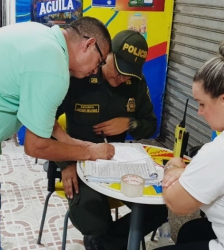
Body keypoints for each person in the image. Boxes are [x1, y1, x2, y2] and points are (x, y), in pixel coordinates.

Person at [0, 17, 115, 250]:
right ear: (89, 44)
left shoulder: (42, 37)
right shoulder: (53, 68)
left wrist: (70, 142)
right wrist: (90, 152)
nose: (96, 70)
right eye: (99, 61)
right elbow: (35, 146)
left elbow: (40, 114)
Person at [54, 30, 168, 250]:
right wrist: (64, 164)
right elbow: (45, 122)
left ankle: (102, 245)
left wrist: (129, 124)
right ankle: (102, 239)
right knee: (95, 222)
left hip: (117, 162)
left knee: (158, 211)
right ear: (107, 54)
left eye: (129, 74)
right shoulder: (79, 75)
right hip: (79, 162)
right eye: (119, 69)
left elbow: (151, 124)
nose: (122, 78)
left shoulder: (136, 82)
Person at [154, 40, 224, 250]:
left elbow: (177, 203)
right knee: (190, 232)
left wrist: (173, 167)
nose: (199, 112)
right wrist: (187, 172)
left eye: (202, 104)